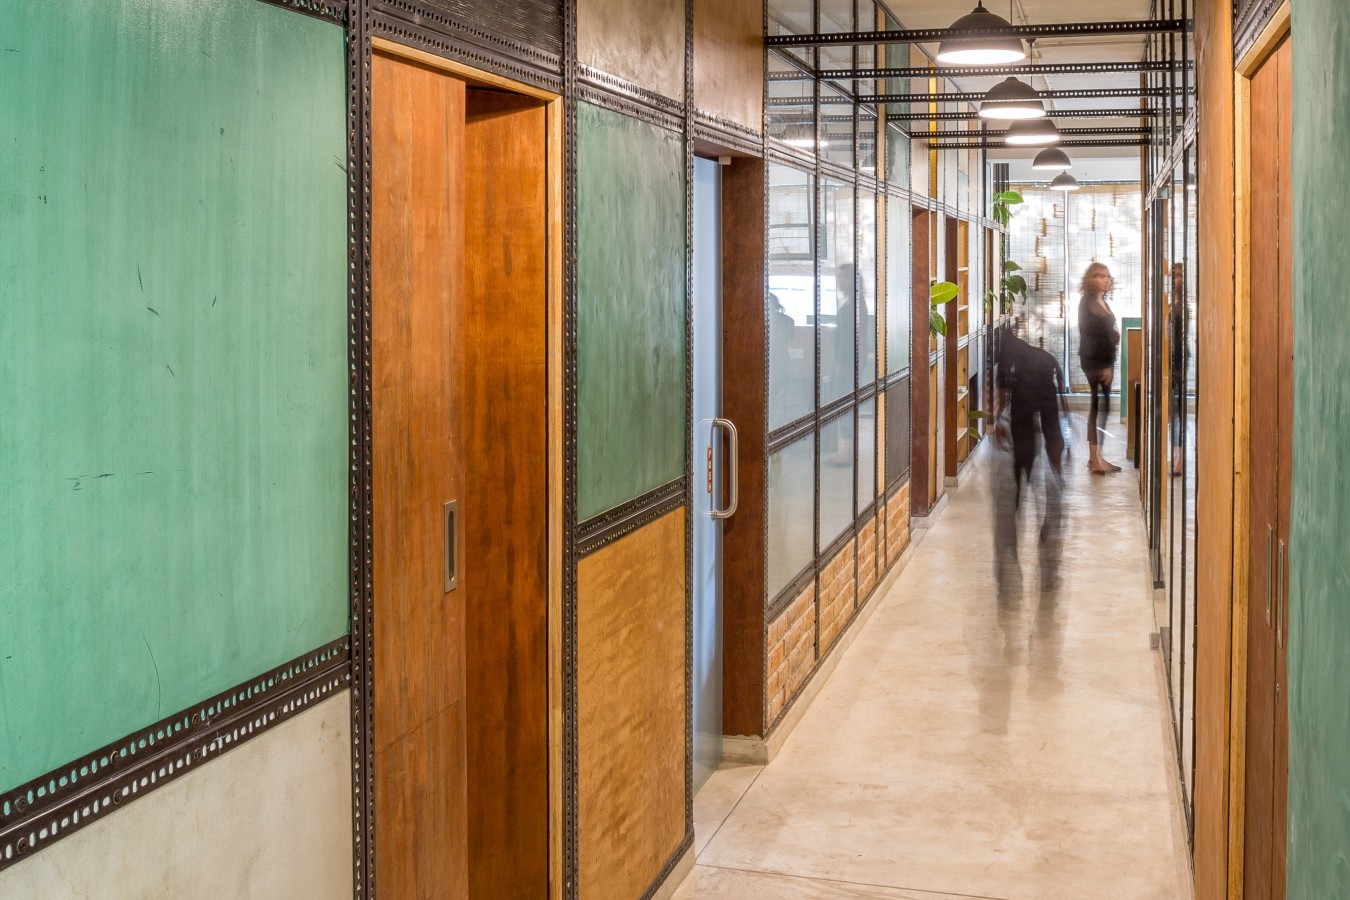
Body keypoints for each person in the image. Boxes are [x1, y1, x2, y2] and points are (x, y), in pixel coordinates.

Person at [991, 321, 1069, 596]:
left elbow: (1002, 389)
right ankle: (1055, 472)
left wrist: (997, 421)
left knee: (1022, 450)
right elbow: (1057, 400)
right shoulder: (1032, 353)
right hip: (1045, 389)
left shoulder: (1003, 351)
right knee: (1051, 432)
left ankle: (1020, 481)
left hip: (1026, 403)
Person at [1077, 262, 1121, 474]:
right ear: (1090, 279)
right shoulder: (1087, 303)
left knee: (1103, 407)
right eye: (1100, 276)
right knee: (1098, 407)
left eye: (1107, 276)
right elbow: (1090, 334)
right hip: (1095, 360)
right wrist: (1103, 367)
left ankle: (1097, 457)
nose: (1106, 279)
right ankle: (1095, 459)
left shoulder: (1101, 300)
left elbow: (1106, 331)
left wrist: (1115, 337)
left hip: (1106, 359)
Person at [1169, 263, 1187, 476]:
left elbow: (1180, 340)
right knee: (1172, 413)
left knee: (1178, 413)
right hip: (1170, 362)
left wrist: (1177, 367)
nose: (1178, 279)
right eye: (1175, 275)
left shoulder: (1182, 306)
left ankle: (1180, 458)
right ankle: (1176, 453)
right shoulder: (1171, 304)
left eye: (1181, 275)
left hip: (1179, 363)